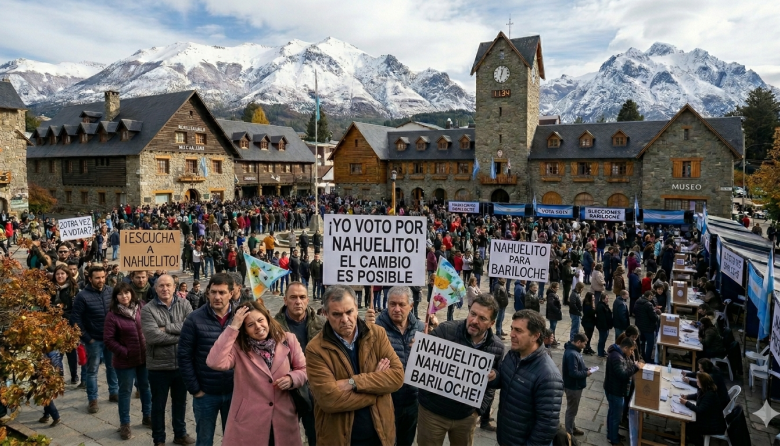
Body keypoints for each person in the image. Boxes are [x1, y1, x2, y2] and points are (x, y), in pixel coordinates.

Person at [306, 285, 404, 446]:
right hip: (340, 438)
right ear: (326, 314)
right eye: (336, 314)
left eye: (349, 312)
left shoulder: (377, 334)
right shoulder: (315, 349)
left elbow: (397, 377)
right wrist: (377, 390)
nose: (344, 320)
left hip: (381, 435)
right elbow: (329, 400)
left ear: (357, 308)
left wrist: (353, 382)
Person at [206, 300, 307, 446]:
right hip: (249, 420)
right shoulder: (238, 348)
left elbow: (304, 369)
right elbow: (214, 362)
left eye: (260, 320)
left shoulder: (288, 339)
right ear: (244, 329)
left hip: (284, 417)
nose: (258, 327)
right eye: (250, 325)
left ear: (267, 318)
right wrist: (233, 326)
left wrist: (292, 379)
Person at [417, 295, 505, 445]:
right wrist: (418, 349)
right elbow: (421, 365)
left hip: (466, 417)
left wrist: (478, 410)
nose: (474, 321)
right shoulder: (446, 331)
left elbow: (492, 385)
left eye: (482, 318)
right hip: (432, 413)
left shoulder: (497, 347)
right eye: (473, 314)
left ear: (492, 323)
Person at [177, 273, 237, 446]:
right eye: (213, 292)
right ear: (208, 293)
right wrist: (195, 389)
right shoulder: (194, 319)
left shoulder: (240, 318)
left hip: (234, 391)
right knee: (204, 439)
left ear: (231, 294)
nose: (217, 297)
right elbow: (184, 356)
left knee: (233, 439)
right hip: (206, 393)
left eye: (222, 292)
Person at [489, 309, 563, 445]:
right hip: (507, 437)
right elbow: (506, 381)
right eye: (512, 329)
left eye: (518, 330)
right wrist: (494, 378)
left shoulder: (549, 376)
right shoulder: (513, 355)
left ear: (535, 336)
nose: (511, 334)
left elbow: (547, 425)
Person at [140, 274, 195, 446]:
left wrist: (167, 329)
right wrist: (181, 336)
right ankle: (159, 439)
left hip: (181, 364)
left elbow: (191, 329)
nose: (165, 289)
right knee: (158, 406)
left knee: (180, 403)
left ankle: (180, 433)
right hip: (158, 366)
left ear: (174, 287)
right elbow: (152, 336)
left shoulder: (185, 303)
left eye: (168, 285)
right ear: (155, 288)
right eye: (161, 285)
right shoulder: (148, 309)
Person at [273, 281, 325, 446]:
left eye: (302, 297)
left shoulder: (322, 324)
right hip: (287, 391)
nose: (298, 301)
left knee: (317, 437)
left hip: (315, 390)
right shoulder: (273, 327)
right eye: (293, 297)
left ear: (308, 300)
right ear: (285, 300)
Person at [374, 286, 426, 446]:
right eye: (392, 304)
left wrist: (427, 344)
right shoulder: (376, 329)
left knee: (406, 440)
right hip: (388, 400)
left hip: (413, 400)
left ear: (411, 306)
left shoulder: (420, 328)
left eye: (401, 304)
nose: (397, 309)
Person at [103, 282, 152, 440]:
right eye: (120, 294)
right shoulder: (113, 314)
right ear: (116, 297)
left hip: (143, 358)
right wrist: (125, 352)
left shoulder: (142, 307)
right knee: (125, 392)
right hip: (124, 361)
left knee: (145, 388)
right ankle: (125, 424)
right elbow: (109, 340)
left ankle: (148, 416)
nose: (124, 296)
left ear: (132, 293)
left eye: (126, 293)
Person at [71, 265, 118, 414]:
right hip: (94, 339)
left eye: (103, 277)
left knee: (112, 367)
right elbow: (75, 319)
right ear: (90, 278)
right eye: (97, 278)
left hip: (110, 338)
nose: (101, 280)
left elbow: (118, 312)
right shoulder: (82, 296)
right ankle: (92, 399)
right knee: (92, 371)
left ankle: (114, 392)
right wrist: (87, 338)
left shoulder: (111, 292)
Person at [604, 337, 643, 446]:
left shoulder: (622, 355)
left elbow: (627, 365)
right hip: (615, 391)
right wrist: (635, 368)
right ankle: (614, 440)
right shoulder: (617, 357)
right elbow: (622, 374)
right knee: (615, 416)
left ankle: (611, 434)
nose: (631, 352)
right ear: (625, 347)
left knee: (612, 413)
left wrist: (633, 364)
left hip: (615, 389)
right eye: (631, 350)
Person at [680, 372, 728, 446]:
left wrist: (686, 403)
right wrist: (687, 396)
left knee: (690, 426)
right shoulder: (706, 389)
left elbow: (699, 410)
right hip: (710, 419)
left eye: (698, 381)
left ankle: (697, 442)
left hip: (712, 425)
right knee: (688, 423)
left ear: (702, 383)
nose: (696, 382)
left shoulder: (709, 395)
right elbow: (697, 395)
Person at [51, 264, 79, 384]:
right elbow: (45, 305)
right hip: (54, 325)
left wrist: (63, 313)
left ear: (67, 275)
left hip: (69, 324)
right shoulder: (50, 288)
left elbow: (76, 309)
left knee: (71, 352)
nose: (60, 276)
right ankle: (59, 374)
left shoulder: (73, 288)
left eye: (62, 273)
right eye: (57, 274)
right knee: (57, 352)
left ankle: (74, 374)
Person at [563, 333, 591, 436]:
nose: (585, 346)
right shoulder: (572, 354)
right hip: (573, 386)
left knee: (573, 409)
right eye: (584, 344)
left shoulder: (575, 352)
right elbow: (573, 373)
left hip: (575, 385)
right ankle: (569, 433)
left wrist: (585, 369)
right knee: (571, 410)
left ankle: (572, 428)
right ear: (578, 342)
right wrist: (586, 373)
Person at [634, 291, 660, 363]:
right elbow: (654, 317)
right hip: (648, 328)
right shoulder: (649, 304)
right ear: (649, 296)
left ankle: (643, 356)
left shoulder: (637, 301)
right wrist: (658, 315)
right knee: (650, 344)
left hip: (640, 326)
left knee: (642, 342)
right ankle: (648, 358)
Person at [595, 293, 613, 357]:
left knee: (604, 339)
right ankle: (600, 352)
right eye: (606, 298)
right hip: (603, 327)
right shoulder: (600, 306)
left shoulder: (604, 305)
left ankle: (602, 350)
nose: (608, 300)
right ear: (602, 299)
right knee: (602, 340)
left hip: (606, 326)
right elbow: (602, 319)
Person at [546, 281, 563, 346]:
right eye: (557, 287)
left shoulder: (552, 293)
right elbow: (551, 304)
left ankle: (553, 340)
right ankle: (550, 340)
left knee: (553, 327)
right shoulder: (551, 294)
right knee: (552, 328)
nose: (558, 288)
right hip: (553, 314)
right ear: (553, 288)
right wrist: (557, 310)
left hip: (552, 314)